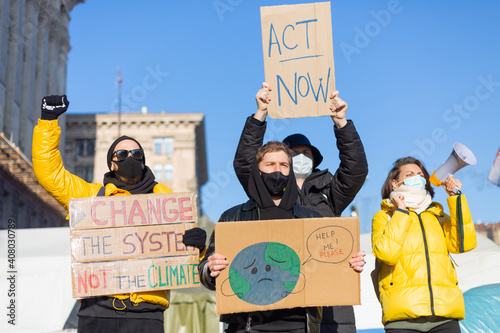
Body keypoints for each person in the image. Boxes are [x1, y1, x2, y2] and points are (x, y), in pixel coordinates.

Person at [32, 95, 206, 333]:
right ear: (112, 164)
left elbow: (187, 258)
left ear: (144, 161)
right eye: (122, 155)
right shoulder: (92, 197)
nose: (130, 158)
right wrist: (48, 121)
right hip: (97, 311)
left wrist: (199, 246)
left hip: (147, 315)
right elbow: (49, 174)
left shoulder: (166, 202)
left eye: (136, 154)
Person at [233, 82, 368, 332]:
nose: (301, 158)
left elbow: (355, 169)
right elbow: (244, 163)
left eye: (306, 153)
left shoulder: (329, 191)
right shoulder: (269, 196)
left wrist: (341, 123)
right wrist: (260, 115)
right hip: (289, 304)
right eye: (293, 155)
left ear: (314, 159)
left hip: (332, 303)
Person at [199, 141, 366, 333]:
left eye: (284, 165)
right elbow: (205, 273)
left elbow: (328, 267)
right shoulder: (233, 217)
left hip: (300, 326)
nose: (277, 171)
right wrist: (211, 268)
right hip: (248, 326)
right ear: (257, 171)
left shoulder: (311, 219)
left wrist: (349, 264)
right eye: (270, 165)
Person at [371, 157, 477, 333]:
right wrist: (401, 212)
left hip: (445, 317)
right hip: (403, 319)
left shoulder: (437, 215)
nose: (417, 177)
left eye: (420, 174)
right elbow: (387, 254)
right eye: (410, 174)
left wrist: (455, 198)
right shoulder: (385, 216)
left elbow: (464, 244)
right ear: (395, 183)